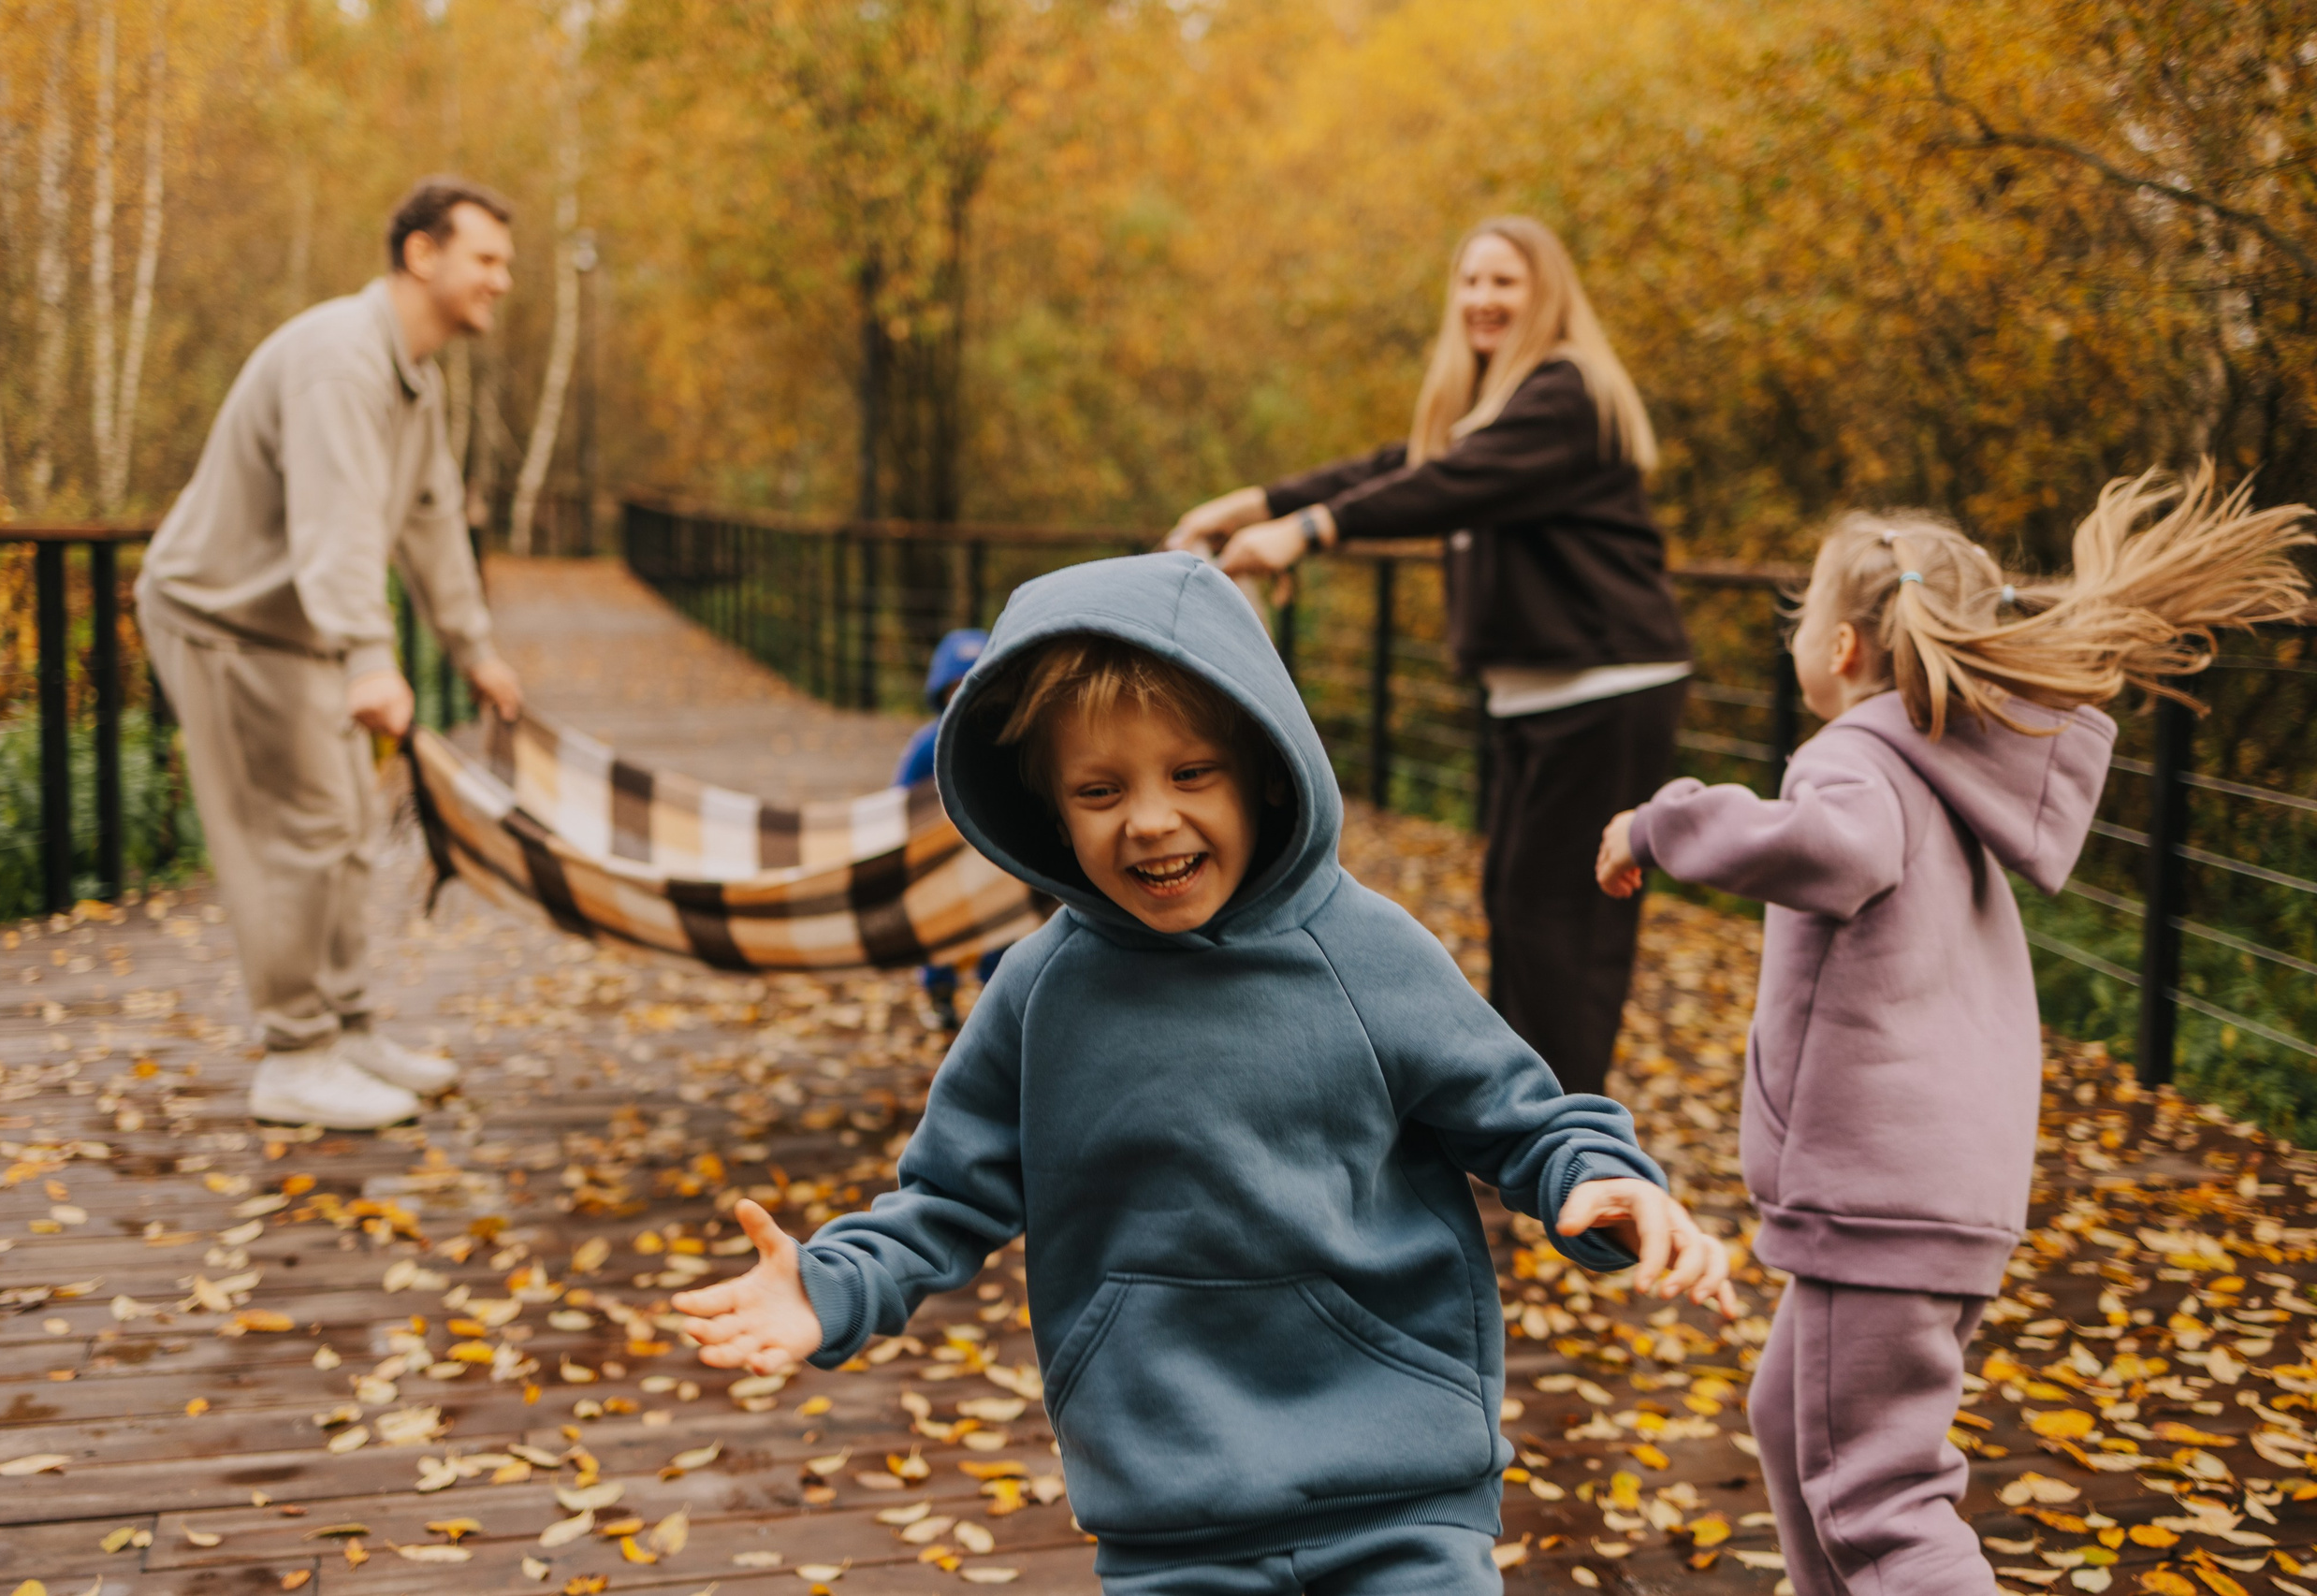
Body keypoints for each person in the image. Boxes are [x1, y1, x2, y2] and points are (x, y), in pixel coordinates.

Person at [674, 552, 1736, 1594]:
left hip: (1399, 1488)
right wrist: (829, 1286)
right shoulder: (1040, 994)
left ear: (1265, 770)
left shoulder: (1367, 953)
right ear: (1049, 812)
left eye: (1191, 772)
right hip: (1167, 1507)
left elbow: (1525, 1119)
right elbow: (947, 1194)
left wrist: (1603, 1177)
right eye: (1099, 788)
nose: (1148, 817)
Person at [1593, 469, 2310, 1596]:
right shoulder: (1948, 774)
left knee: (1879, 1499)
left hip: (1877, 1192)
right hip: (1936, 1189)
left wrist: (1660, 819)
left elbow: (1828, 850)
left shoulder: (1858, 763)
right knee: (1793, 1418)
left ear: (1837, 649)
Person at [1168, 216, 1687, 1096]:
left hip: (1605, 687)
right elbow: (1397, 466)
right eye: (1471, 283)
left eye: (1505, 283)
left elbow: (1449, 484)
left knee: (1562, 919)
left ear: (1546, 295)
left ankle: (1571, 1142)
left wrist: (1307, 532)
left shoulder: (1566, 397)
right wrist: (1253, 503)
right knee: (1517, 907)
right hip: (1538, 693)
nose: (1484, 299)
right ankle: (1530, 1118)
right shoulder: (1494, 407)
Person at [137, 177, 526, 1131]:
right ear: (421, 254)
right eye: (485, 258)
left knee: (350, 822)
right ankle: (294, 1053)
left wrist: (473, 649)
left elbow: (431, 523)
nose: (502, 281)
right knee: (300, 830)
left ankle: (347, 1030)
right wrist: (368, 654)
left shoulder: (415, 378)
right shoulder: (340, 364)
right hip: (223, 620)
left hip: (293, 625)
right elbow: (337, 529)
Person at [895, 628, 1002, 1030]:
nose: (961, 697)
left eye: (971, 686)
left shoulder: (1003, 741)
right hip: (940, 855)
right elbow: (899, 799)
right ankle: (940, 991)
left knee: (1001, 924)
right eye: (952, 687)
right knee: (939, 924)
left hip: (991, 855)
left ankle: (997, 991)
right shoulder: (927, 746)